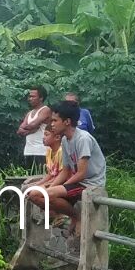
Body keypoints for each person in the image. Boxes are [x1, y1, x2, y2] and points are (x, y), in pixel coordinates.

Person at [27, 100, 106, 233]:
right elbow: (65, 171)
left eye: (55, 121)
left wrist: (62, 188)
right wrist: (52, 186)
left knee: (48, 194)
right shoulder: (65, 140)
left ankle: (76, 217)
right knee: (33, 194)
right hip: (76, 182)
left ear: (67, 122)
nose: (51, 124)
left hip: (90, 184)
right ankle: (67, 214)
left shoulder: (83, 139)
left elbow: (81, 173)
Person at [17, 86, 51, 174]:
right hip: (28, 151)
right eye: (29, 96)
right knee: (30, 179)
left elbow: (33, 124)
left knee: (40, 178)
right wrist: (31, 130)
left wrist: (31, 127)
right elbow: (19, 130)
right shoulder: (29, 113)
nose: (30, 98)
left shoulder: (45, 110)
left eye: (33, 96)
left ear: (41, 98)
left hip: (42, 151)